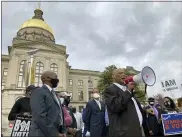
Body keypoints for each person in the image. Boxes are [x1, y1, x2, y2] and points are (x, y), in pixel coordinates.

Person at [104, 68, 148, 137]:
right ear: (113, 76)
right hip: (124, 133)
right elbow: (115, 107)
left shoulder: (127, 90)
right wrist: (128, 91)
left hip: (136, 130)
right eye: (120, 73)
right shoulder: (110, 89)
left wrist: (146, 110)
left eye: (124, 73)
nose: (123, 74)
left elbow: (133, 108)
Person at [29, 71, 66, 137]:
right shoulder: (38, 92)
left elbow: (60, 114)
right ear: (46, 78)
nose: (57, 80)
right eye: (55, 77)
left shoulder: (55, 95)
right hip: (42, 134)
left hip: (57, 132)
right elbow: (39, 116)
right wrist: (55, 134)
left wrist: (63, 131)